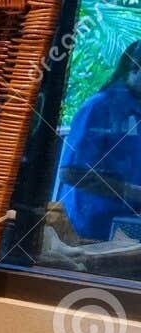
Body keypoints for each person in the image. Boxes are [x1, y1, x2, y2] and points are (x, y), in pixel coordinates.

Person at [56, 40, 141, 242]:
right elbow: (70, 172)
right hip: (90, 230)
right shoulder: (99, 107)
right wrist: (130, 191)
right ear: (135, 67)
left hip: (129, 228)